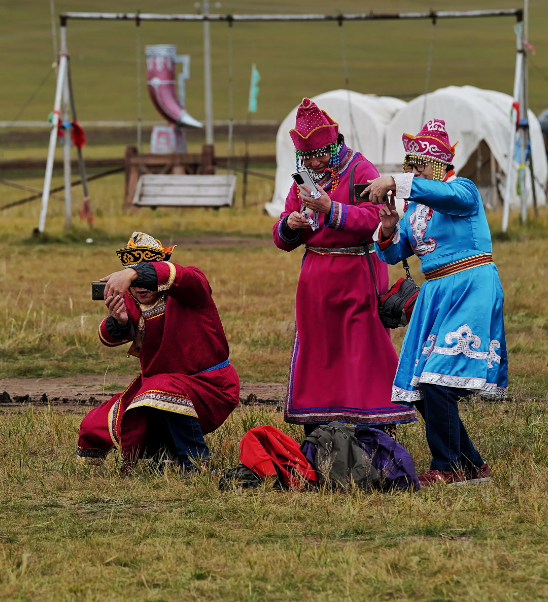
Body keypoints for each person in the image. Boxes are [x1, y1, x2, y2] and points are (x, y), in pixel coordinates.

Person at [364, 119, 507, 486]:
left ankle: (446, 467)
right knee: (423, 384)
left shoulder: (463, 190)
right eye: (410, 165)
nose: (414, 171)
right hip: (436, 293)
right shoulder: (415, 210)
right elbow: (396, 253)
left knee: (437, 380)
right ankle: (471, 465)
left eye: (420, 165)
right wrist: (390, 227)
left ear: (440, 166)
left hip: (470, 286)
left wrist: (396, 181)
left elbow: (447, 197)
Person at [272, 98, 415, 434]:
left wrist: (330, 208)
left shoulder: (361, 170)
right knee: (319, 351)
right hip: (316, 281)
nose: (317, 161)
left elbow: (375, 221)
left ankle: (374, 426)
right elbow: (281, 236)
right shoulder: (302, 180)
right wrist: (291, 225)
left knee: (362, 350)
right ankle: (320, 424)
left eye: (323, 153)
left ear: (336, 143)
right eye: (309, 157)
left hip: (358, 272)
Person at [76, 232, 241, 472]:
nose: (140, 287)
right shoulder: (133, 301)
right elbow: (106, 336)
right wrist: (120, 321)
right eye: (133, 281)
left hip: (210, 386)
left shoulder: (189, 289)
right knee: (96, 423)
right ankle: (164, 454)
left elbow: (187, 278)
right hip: (156, 391)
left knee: (159, 390)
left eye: (144, 277)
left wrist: (133, 274)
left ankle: (196, 462)